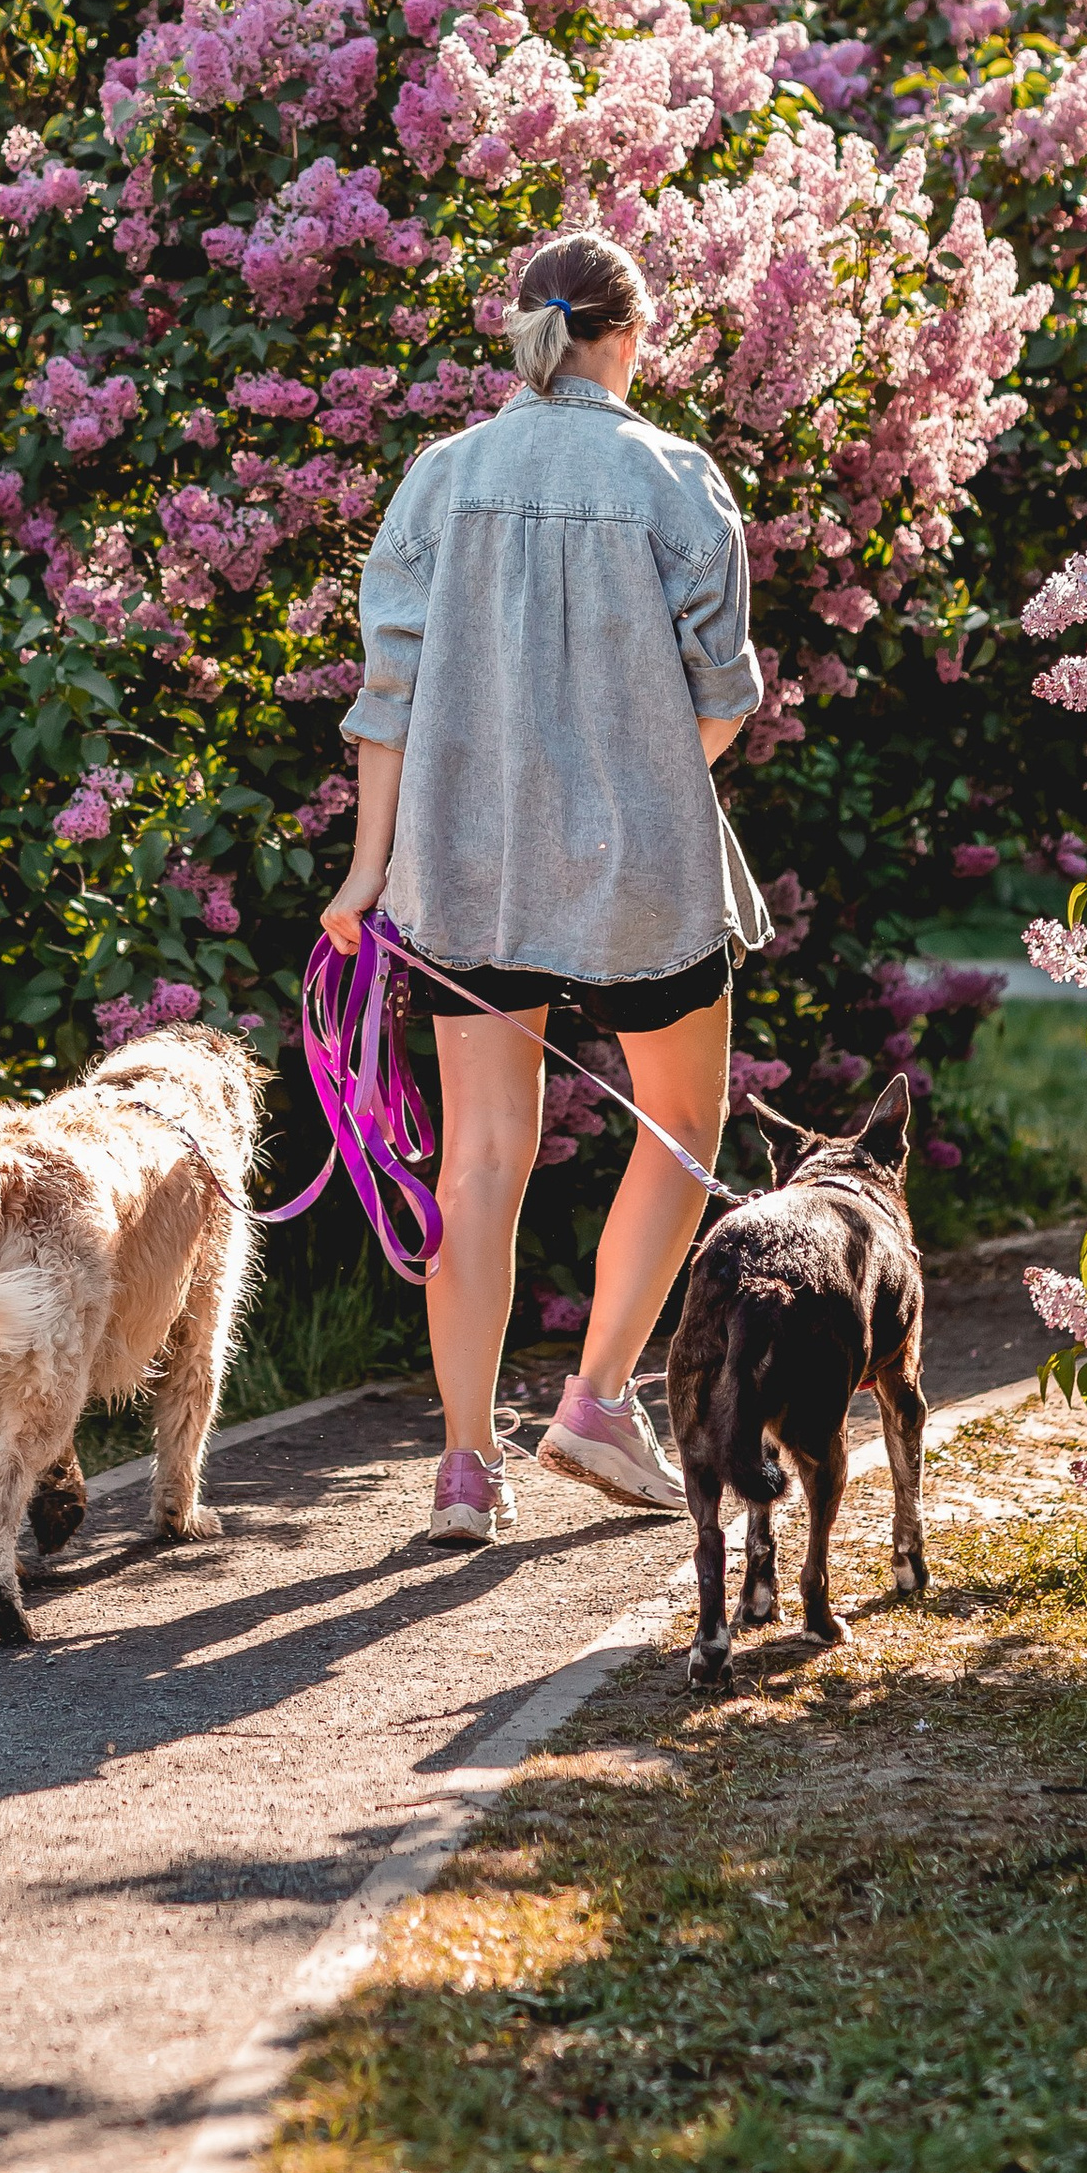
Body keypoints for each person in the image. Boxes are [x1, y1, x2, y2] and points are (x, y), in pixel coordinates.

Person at [321, 229, 769, 1545]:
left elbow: (386, 700)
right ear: (631, 337)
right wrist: (628, 791)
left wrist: (365, 871)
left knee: (481, 1161)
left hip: (468, 866)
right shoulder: (677, 479)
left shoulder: (442, 479)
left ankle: (467, 1467)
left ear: (524, 335)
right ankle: (592, 1402)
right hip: (642, 867)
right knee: (684, 1124)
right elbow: (724, 701)